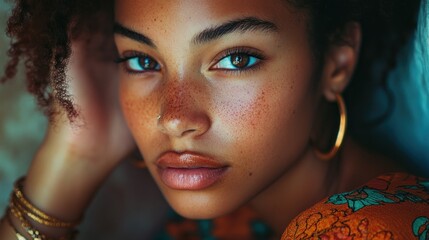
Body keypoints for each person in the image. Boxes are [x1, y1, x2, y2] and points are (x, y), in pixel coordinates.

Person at [0, 0, 428, 239]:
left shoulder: (369, 232)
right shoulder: (211, 225)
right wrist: (76, 152)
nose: (174, 118)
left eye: (235, 59)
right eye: (140, 60)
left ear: (336, 62)